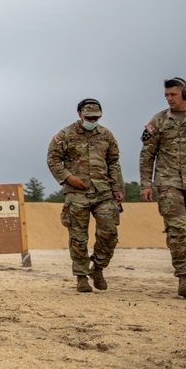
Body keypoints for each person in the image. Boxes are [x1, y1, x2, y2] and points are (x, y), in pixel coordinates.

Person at [139, 77, 186, 299]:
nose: (169, 99)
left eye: (173, 95)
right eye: (166, 95)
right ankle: (184, 277)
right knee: (178, 230)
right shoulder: (158, 121)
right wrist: (145, 184)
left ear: (185, 94)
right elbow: (147, 155)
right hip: (168, 181)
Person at [47, 98, 124, 293]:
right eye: (89, 117)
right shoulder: (65, 135)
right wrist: (68, 178)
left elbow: (114, 162)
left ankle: (97, 268)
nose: (92, 120)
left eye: (96, 117)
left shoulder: (106, 135)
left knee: (109, 233)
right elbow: (53, 160)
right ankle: (81, 276)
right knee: (78, 237)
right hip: (77, 192)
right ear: (80, 115)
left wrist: (118, 187)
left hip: (103, 192)